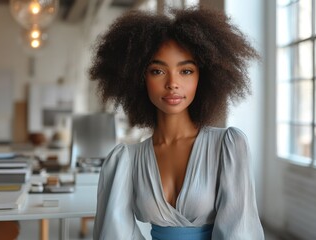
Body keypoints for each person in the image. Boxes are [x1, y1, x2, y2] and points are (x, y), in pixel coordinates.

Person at [89, 6, 264, 240]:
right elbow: (113, 233)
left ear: (203, 77)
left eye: (186, 71)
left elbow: (240, 231)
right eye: (158, 71)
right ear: (138, 78)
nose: (173, 83)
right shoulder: (126, 160)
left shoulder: (227, 147)